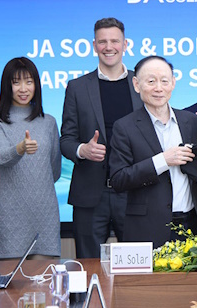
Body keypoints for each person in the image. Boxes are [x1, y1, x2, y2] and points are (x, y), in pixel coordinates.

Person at [60, 17, 142, 258]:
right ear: (94, 45)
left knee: (138, 266)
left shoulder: (142, 83)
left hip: (134, 193)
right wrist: (82, 150)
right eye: (102, 41)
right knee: (88, 266)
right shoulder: (77, 87)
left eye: (114, 41)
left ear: (125, 44)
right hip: (90, 195)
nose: (109, 47)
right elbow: (66, 140)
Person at [109, 56, 197, 248]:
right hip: (148, 229)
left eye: (164, 81)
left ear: (173, 83)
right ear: (136, 84)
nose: (158, 88)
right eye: (151, 81)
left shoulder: (193, 122)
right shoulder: (124, 127)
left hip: (193, 225)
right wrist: (162, 161)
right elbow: (118, 179)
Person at [0, 57, 61, 260]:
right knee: (10, 279)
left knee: (45, 278)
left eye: (29, 81)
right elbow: (1, 157)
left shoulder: (49, 122)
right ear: (6, 86)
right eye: (16, 82)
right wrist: (21, 148)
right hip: (9, 215)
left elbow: (54, 171)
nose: (23, 88)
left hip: (45, 215)